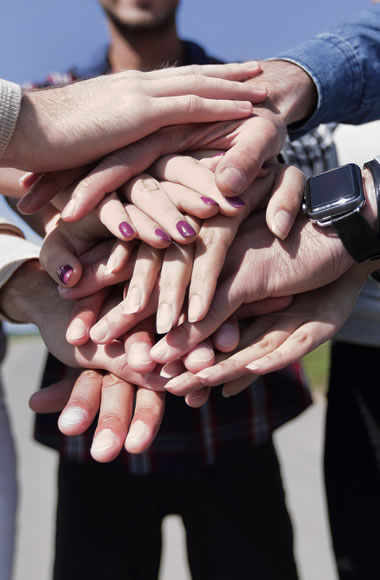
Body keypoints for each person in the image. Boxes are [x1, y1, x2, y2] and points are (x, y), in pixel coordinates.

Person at [8, 2, 339, 579]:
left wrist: (234, 167)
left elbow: (294, 157)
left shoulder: (238, 86)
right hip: (97, 414)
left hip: (233, 416)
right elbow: (17, 166)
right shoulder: (51, 98)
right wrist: (103, 170)